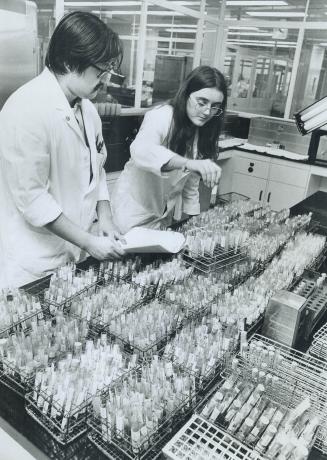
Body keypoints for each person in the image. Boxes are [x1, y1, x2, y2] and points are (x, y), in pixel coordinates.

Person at [0, 11, 125, 288]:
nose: (105, 80)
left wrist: (105, 216)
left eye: (109, 71)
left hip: (73, 251)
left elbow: (98, 169)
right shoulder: (26, 109)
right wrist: (89, 241)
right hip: (34, 261)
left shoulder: (87, 109)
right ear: (70, 61)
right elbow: (33, 199)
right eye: (100, 70)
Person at [111, 65, 227, 234]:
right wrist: (188, 163)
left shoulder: (199, 129)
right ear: (186, 94)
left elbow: (191, 184)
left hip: (162, 216)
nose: (207, 111)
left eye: (215, 106)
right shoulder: (162, 115)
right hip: (131, 213)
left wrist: (194, 225)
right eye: (202, 102)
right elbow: (142, 150)